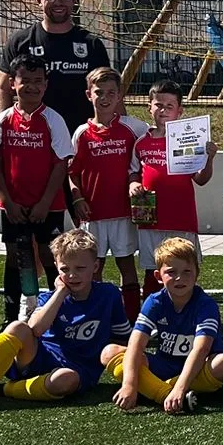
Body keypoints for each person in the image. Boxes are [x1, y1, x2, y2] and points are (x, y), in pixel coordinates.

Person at [0, 229, 131, 416]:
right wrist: (61, 293)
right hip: (38, 357)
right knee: (17, 327)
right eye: (65, 269)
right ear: (56, 267)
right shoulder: (49, 298)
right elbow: (35, 328)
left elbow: (122, 338)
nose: (72, 275)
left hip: (77, 371)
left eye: (80, 268)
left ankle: (6, 389)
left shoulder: (109, 295)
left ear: (95, 266)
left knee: (65, 379)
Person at [0, 55, 77, 321]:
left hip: (49, 205)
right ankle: (12, 315)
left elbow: (60, 165)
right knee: (17, 257)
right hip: (14, 206)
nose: (32, 86)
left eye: (38, 81)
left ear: (46, 85)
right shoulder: (2, 120)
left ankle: (56, 314)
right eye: (25, 80)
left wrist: (44, 203)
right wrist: (7, 201)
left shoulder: (54, 120)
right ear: (12, 84)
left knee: (52, 256)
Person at [102, 235, 223, 414]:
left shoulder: (205, 304)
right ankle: (164, 394)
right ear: (158, 276)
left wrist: (179, 388)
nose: (179, 278)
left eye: (187, 271)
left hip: (199, 369)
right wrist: (129, 384)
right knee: (109, 352)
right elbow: (136, 344)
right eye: (171, 272)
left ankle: (158, 389)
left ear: (197, 274)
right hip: (164, 365)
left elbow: (201, 349)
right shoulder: (155, 301)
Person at [67, 66, 148, 325]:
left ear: (120, 95)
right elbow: (72, 172)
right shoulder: (81, 132)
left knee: (127, 266)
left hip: (124, 213)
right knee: (94, 268)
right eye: (99, 92)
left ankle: (132, 320)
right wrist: (77, 198)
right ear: (88, 95)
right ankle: (97, 319)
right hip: (93, 214)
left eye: (111, 93)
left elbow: (154, 148)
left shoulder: (135, 128)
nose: (105, 98)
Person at [0, 0, 114, 133]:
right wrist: (5, 128)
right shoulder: (20, 42)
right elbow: (2, 89)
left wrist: (115, 131)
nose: (58, 2)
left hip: (80, 137)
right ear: (39, 0)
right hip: (32, 137)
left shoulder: (91, 44)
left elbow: (109, 91)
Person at [131, 80, 212, 294]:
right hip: (151, 220)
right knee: (152, 270)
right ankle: (152, 309)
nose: (163, 110)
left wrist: (210, 158)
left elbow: (201, 179)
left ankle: (187, 310)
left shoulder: (189, 141)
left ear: (179, 110)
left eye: (170, 106)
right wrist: (134, 183)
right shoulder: (141, 142)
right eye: (158, 105)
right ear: (149, 107)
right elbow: (133, 171)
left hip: (181, 218)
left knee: (185, 268)